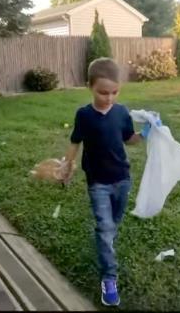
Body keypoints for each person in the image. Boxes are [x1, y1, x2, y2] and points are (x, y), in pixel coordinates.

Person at [61, 57, 158, 306]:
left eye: (115, 92)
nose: (109, 98)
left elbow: (129, 139)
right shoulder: (84, 115)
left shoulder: (121, 112)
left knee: (113, 225)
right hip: (98, 184)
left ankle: (107, 242)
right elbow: (75, 142)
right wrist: (68, 165)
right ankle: (109, 277)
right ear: (90, 86)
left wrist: (146, 132)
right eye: (103, 92)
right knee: (104, 229)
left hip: (122, 179)